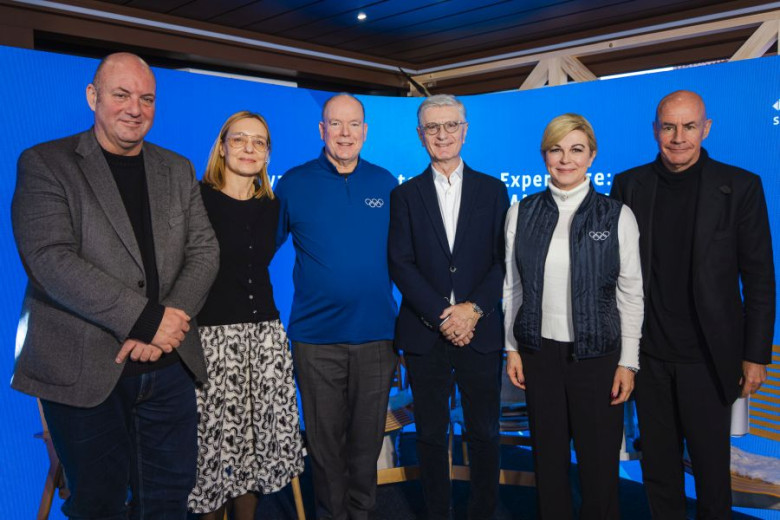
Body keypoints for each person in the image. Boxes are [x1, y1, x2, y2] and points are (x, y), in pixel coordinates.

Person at [10, 52, 219, 519]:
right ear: (93, 96)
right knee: (98, 504)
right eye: (121, 95)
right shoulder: (46, 163)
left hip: (169, 367)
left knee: (168, 501)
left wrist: (166, 325)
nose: (135, 108)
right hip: (84, 371)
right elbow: (50, 260)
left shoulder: (177, 168)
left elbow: (204, 251)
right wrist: (146, 320)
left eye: (147, 98)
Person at [611, 90, 775, 519]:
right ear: (655, 130)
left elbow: (759, 277)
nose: (678, 137)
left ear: (706, 128)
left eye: (688, 126)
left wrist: (756, 355)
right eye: (669, 127)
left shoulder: (740, 186)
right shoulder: (629, 185)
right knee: (658, 470)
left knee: (711, 472)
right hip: (649, 356)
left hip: (710, 358)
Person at [503, 113, 644, 519]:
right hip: (539, 356)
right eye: (556, 150)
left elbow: (631, 294)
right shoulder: (521, 212)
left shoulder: (616, 215)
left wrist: (628, 362)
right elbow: (512, 287)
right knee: (548, 465)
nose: (566, 159)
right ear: (544, 155)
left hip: (598, 359)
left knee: (599, 469)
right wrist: (512, 348)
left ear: (592, 156)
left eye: (576, 150)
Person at [275, 93, 398, 520]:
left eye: (353, 124)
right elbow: (255, 251)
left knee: (366, 445)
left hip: (376, 337)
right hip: (315, 341)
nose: (345, 133)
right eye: (336, 124)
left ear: (365, 130)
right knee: (325, 447)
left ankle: (361, 514)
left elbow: (405, 258)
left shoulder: (385, 183)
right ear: (321, 129)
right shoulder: (293, 184)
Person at [388, 94, 509, 520]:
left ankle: (482, 512)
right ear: (420, 135)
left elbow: (503, 260)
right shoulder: (404, 195)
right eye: (433, 127)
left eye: (451, 125)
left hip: (480, 330)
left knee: (484, 432)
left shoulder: (493, 190)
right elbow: (400, 262)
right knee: (430, 434)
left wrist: (472, 310)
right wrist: (445, 315)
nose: (443, 135)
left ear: (465, 130)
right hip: (426, 333)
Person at [188, 111, 304, 519]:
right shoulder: (195, 200)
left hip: (265, 340)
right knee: (213, 452)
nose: (249, 148)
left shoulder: (273, 207)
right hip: (212, 342)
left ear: (268, 153)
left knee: (256, 451)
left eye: (259, 142)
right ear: (222, 147)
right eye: (239, 139)